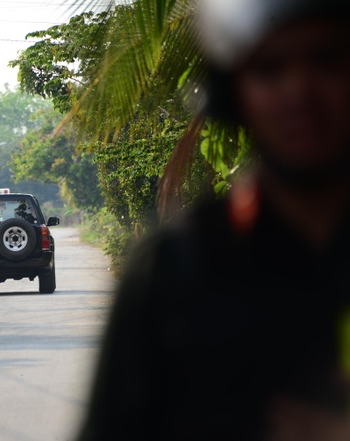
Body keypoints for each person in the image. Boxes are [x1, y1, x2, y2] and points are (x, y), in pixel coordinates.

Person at [76, 1, 350, 440]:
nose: (301, 92)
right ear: (231, 93)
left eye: (328, 59)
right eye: (270, 69)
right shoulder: (176, 268)